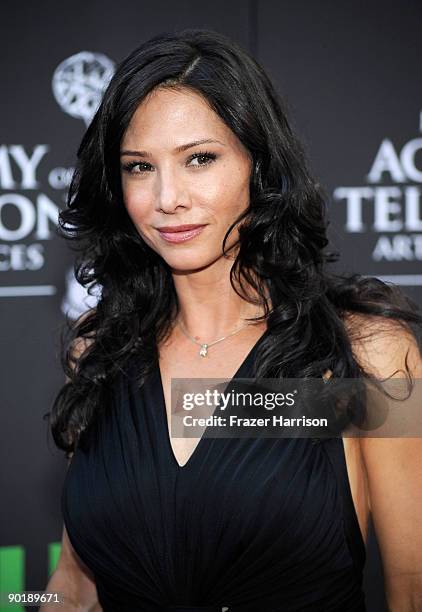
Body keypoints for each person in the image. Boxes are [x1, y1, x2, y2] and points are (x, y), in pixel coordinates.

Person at [42, 28, 422, 611]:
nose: (168, 196)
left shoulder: (366, 357)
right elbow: (76, 588)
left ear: (259, 164)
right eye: (139, 167)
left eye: (199, 159)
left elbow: (412, 587)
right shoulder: (99, 354)